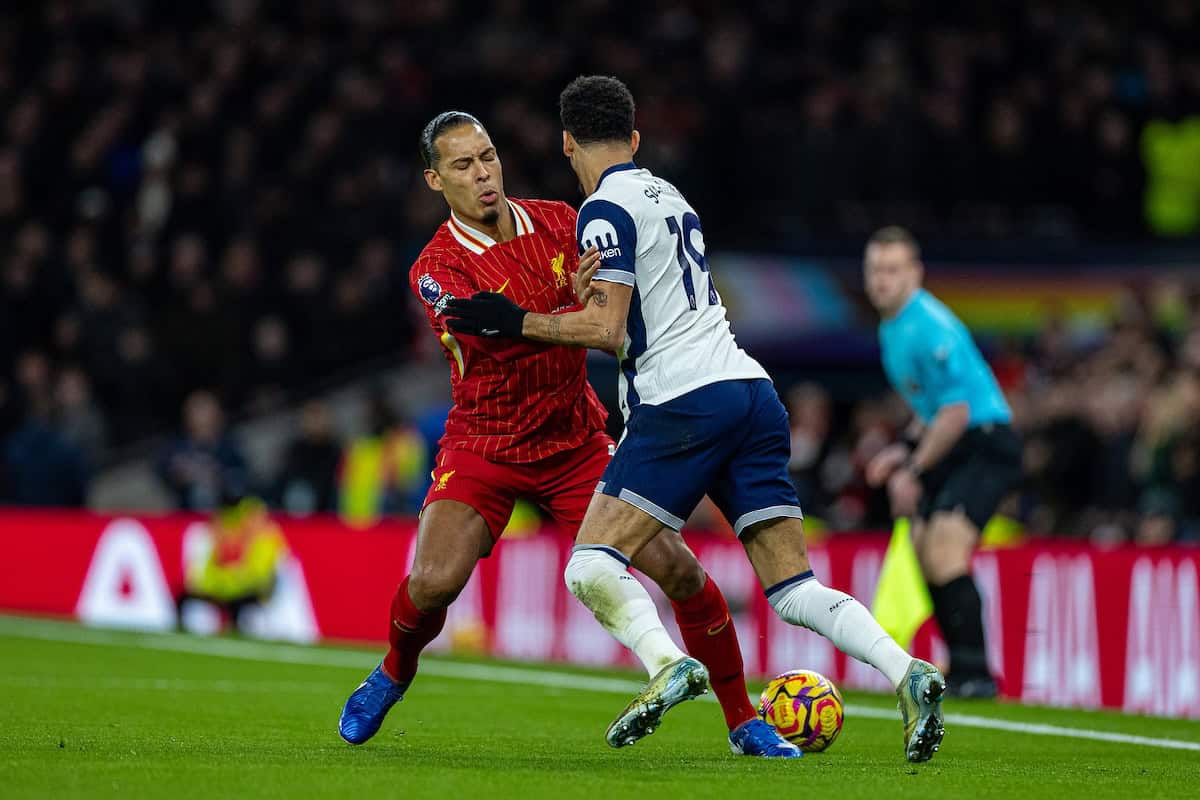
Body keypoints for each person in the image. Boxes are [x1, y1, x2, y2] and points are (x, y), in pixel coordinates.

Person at [445, 75, 945, 763]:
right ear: (636, 138)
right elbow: (644, 304)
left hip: (684, 400)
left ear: (566, 143)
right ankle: (907, 671)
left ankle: (668, 665)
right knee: (794, 588)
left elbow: (607, 325)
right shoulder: (668, 196)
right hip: (750, 390)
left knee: (590, 564)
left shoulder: (603, 208)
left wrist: (518, 321)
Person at [338, 111, 798, 758]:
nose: (484, 173)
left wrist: (579, 311)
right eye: (464, 166)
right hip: (485, 441)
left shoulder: (561, 218)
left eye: (489, 156)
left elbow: (605, 312)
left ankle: (743, 720)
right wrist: (571, 311)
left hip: (575, 439)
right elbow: (490, 336)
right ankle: (393, 669)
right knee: (434, 582)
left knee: (680, 570)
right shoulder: (434, 267)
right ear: (435, 180)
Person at [862, 226, 1022, 698]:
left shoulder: (928, 324)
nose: (882, 280)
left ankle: (976, 673)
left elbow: (957, 412)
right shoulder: (893, 327)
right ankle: (962, 667)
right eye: (875, 270)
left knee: (947, 550)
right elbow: (932, 410)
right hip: (956, 440)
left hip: (985, 443)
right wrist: (904, 449)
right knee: (928, 548)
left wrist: (913, 470)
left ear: (915, 274)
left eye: (893, 270)